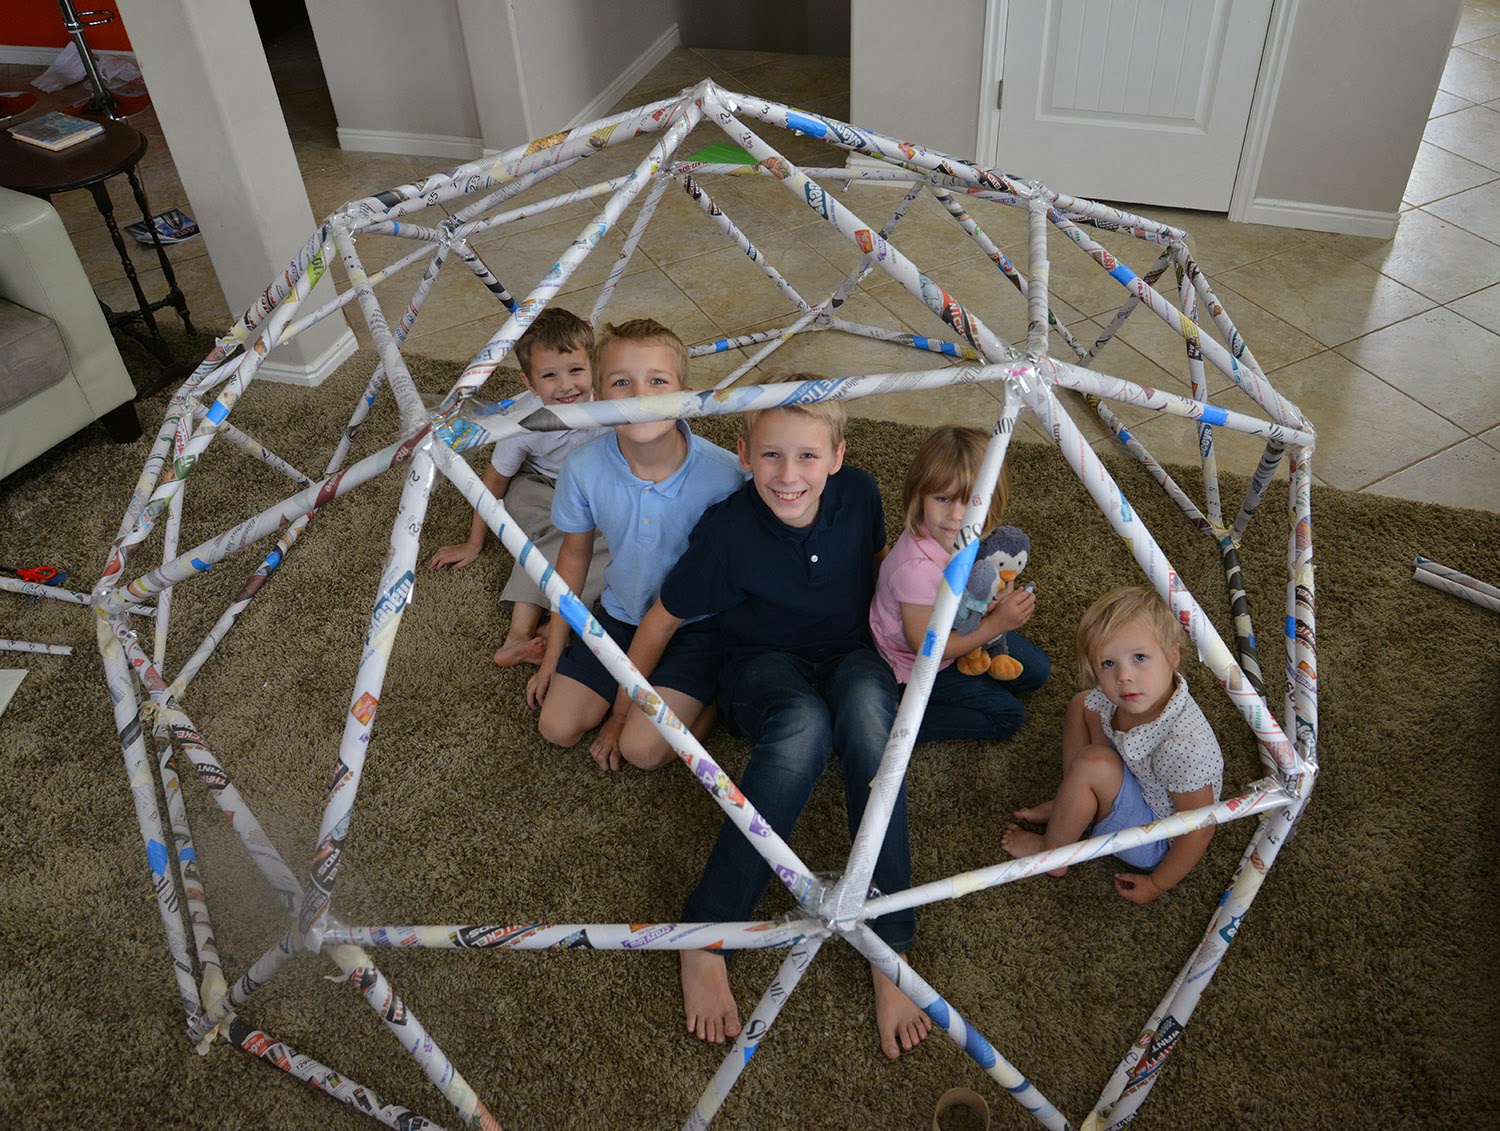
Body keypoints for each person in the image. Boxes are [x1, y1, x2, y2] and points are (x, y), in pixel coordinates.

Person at [619, 374, 931, 1061]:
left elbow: (881, 571)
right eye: (771, 456)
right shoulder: (727, 532)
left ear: (839, 457)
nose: (789, 476)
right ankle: (706, 929)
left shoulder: (862, 493)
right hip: (760, 666)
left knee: (872, 722)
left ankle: (888, 940)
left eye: (808, 457)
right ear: (742, 453)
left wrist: (925, 631)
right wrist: (624, 710)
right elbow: (664, 618)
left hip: (851, 653)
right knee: (804, 728)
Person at [525, 318, 744, 771]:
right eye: (622, 382)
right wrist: (552, 653)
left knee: (641, 751)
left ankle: (710, 699)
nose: (641, 396)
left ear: (685, 392)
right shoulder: (583, 467)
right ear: (599, 397)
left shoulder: (727, 477)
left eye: (657, 381)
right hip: (621, 614)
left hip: (697, 628)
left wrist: (622, 716)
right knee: (557, 727)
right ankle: (648, 693)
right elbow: (574, 553)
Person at [1001, 585, 1223, 903]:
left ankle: (1052, 852)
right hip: (1140, 778)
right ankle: (1076, 803)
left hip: (1155, 835)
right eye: (1108, 664)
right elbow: (1093, 704)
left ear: (1173, 655)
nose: (1124, 676)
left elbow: (1199, 830)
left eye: (1140, 658)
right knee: (1083, 705)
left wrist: (1157, 884)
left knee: (1093, 763)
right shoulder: (1135, 697)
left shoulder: (1185, 748)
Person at [425, 307, 610, 668]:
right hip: (539, 485)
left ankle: (548, 627)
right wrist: (474, 542)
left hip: (593, 485)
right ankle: (520, 635)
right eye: (550, 376)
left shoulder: (610, 404)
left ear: (594, 367)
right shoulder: (522, 420)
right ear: (529, 383)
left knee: (615, 541)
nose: (567, 385)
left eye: (576, 370)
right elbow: (494, 482)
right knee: (543, 540)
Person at [869, 425, 1050, 741]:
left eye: (972, 502)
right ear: (919, 495)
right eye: (943, 498)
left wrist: (997, 600)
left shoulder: (973, 533)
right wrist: (995, 625)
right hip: (915, 664)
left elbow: (985, 580)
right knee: (1008, 715)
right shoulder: (915, 571)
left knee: (1038, 671)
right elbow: (928, 650)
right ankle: (896, 722)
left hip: (959, 625)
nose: (957, 516)